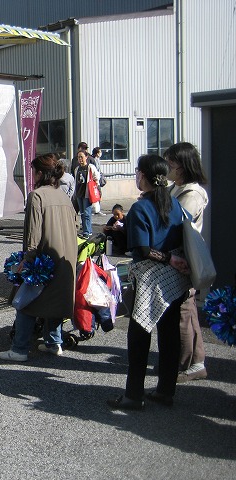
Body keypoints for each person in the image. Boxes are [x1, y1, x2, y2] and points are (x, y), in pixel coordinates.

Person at [107, 154, 191, 410]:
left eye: (137, 172)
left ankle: (133, 395)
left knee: (139, 334)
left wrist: (167, 258)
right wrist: (174, 259)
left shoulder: (141, 207)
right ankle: (166, 390)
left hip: (150, 278)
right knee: (169, 334)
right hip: (175, 279)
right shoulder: (173, 203)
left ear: (143, 175)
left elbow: (142, 249)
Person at [0, 153, 77, 361]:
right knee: (55, 302)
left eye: (33, 171)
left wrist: (27, 259)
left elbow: (33, 234)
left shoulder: (37, 196)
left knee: (26, 303)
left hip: (43, 260)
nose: (32, 175)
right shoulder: (63, 195)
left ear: (41, 173)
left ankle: (19, 350)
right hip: (65, 257)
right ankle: (54, 342)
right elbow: (76, 225)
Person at [164, 142, 209, 383]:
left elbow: (178, 224)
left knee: (184, 311)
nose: (167, 167)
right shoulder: (175, 188)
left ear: (182, 165)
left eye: (170, 162)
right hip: (175, 257)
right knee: (187, 310)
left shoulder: (192, 194)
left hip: (183, 258)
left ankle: (185, 364)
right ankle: (194, 361)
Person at [73, 151, 100, 237]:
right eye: (78, 157)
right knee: (82, 213)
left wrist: (95, 186)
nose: (80, 159)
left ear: (86, 157)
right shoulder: (77, 169)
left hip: (87, 193)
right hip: (79, 193)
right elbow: (76, 181)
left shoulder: (90, 167)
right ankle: (85, 230)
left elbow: (97, 177)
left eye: (81, 157)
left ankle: (88, 231)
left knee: (87, 213)